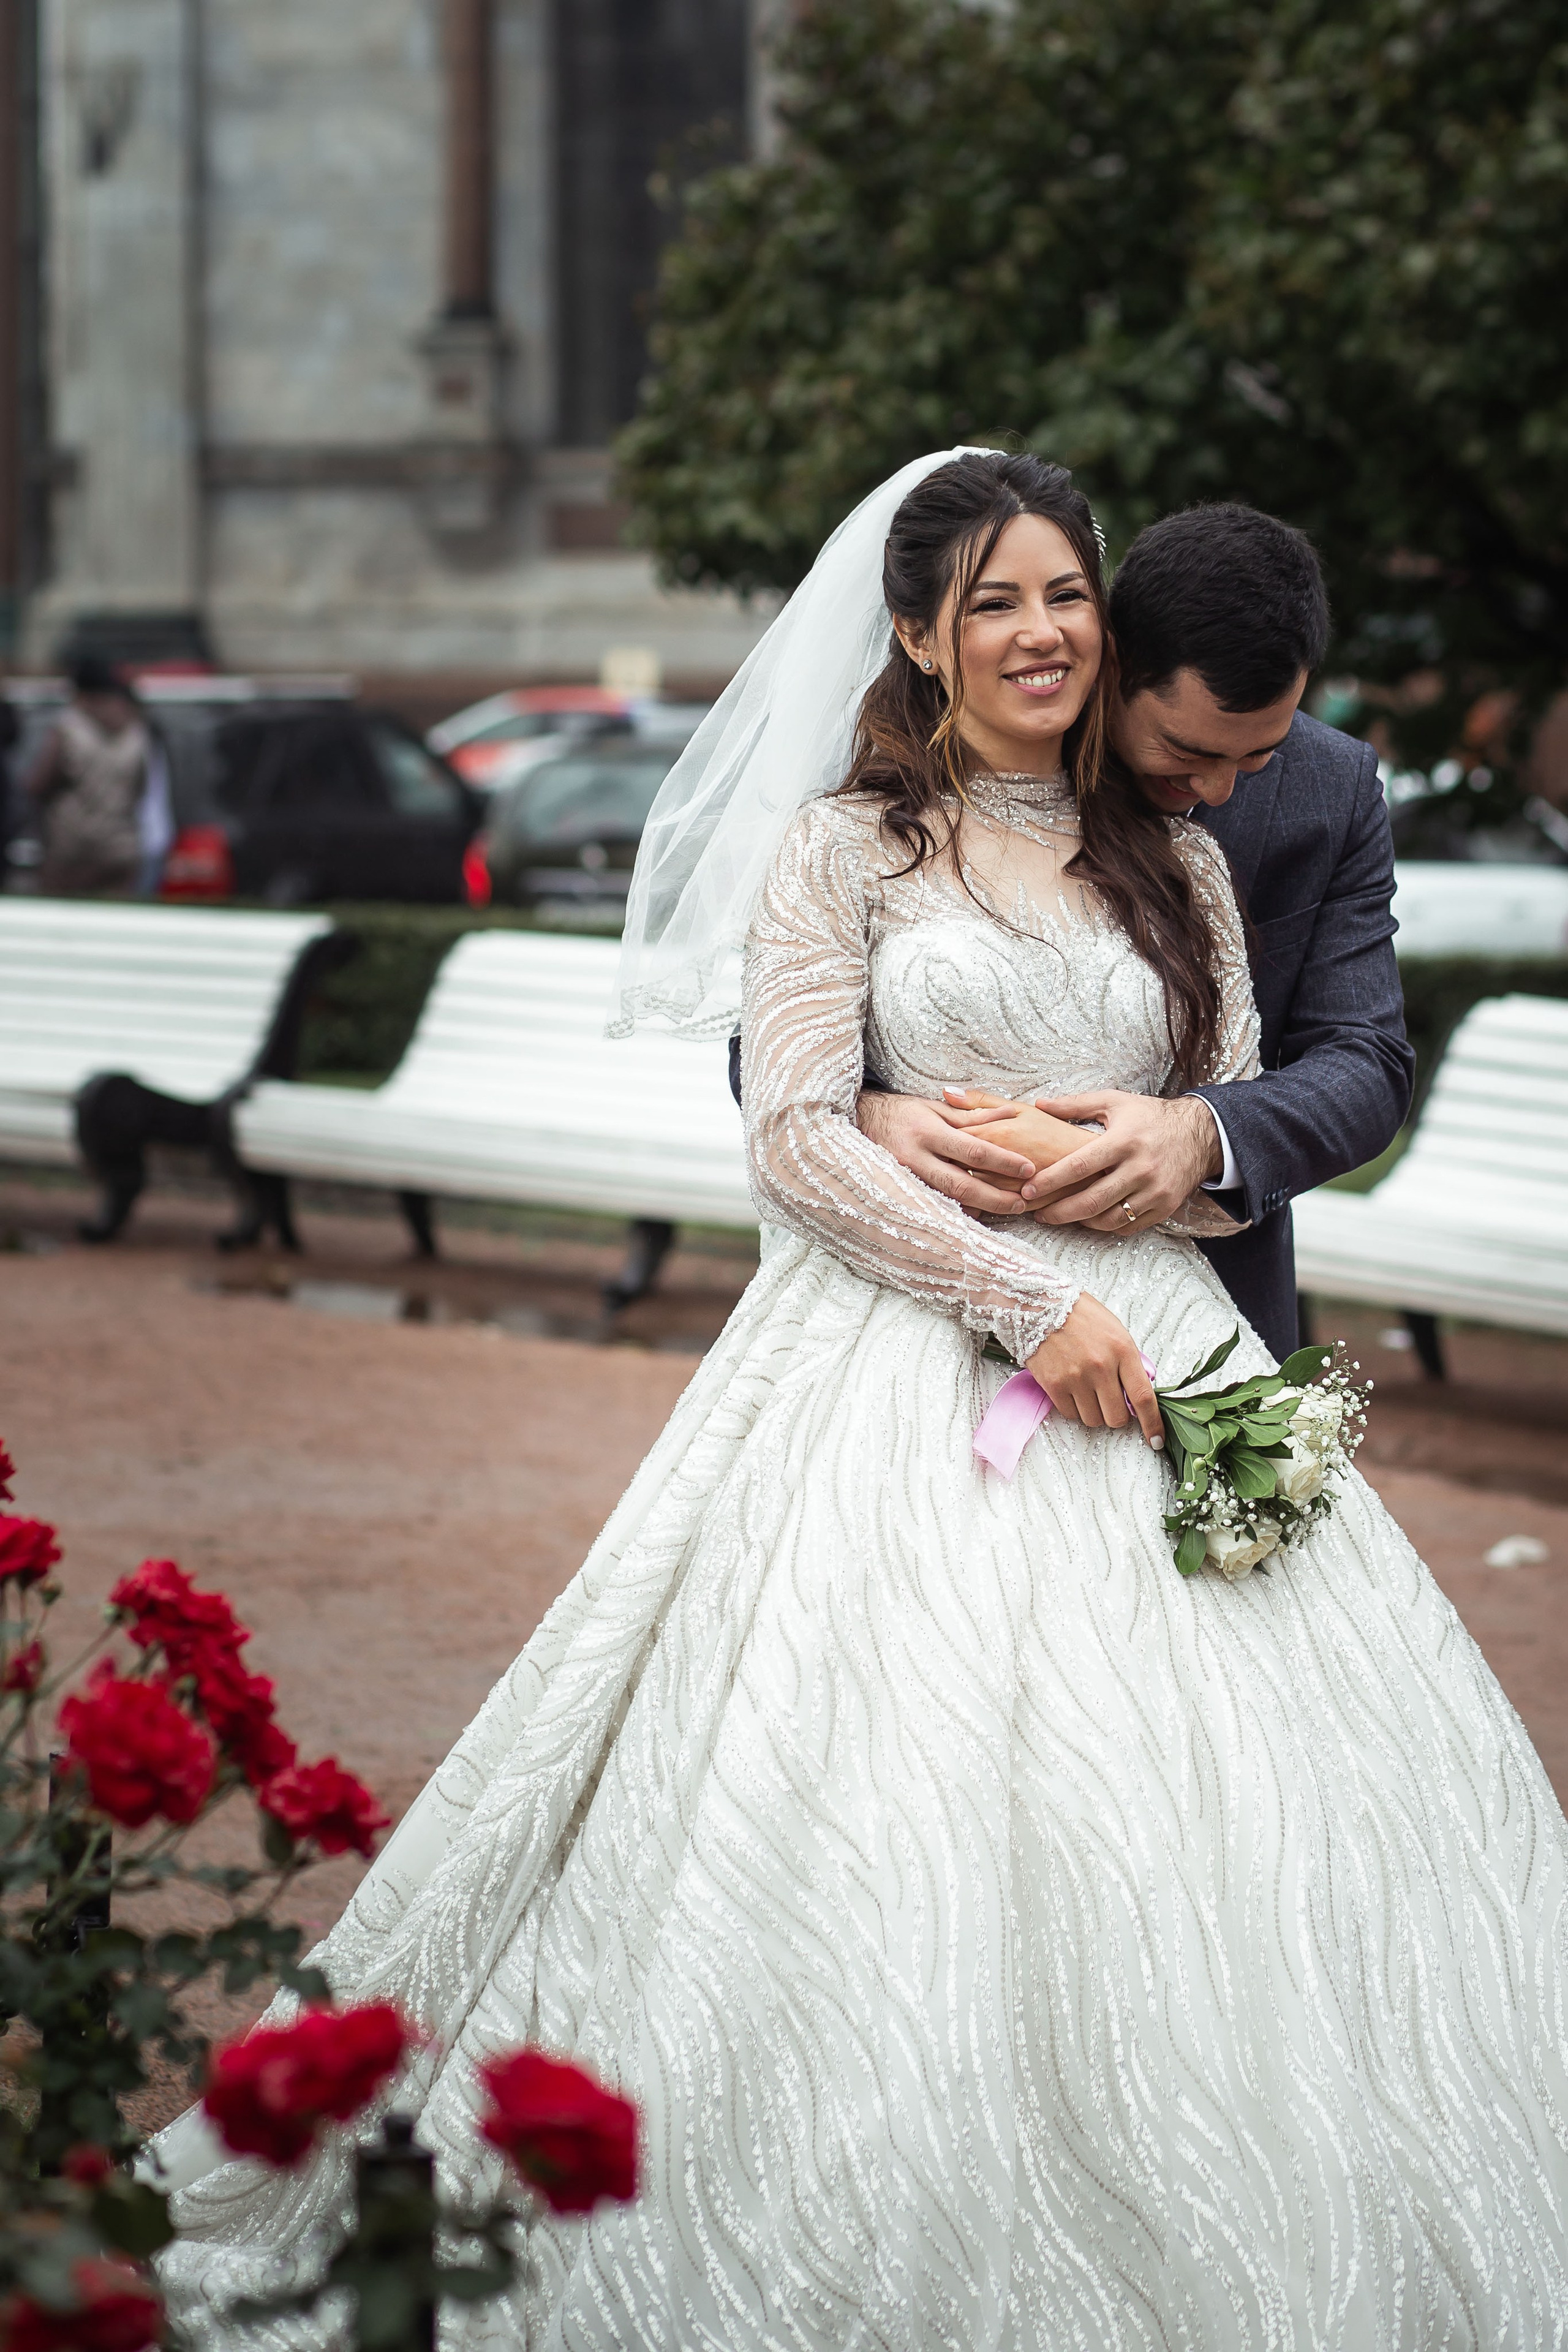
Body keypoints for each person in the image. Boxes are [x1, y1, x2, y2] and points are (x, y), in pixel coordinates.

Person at [154, 453, 1568, 2348]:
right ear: (918, 631)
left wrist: (1182, 1150)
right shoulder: (847, 838)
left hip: (1174, 1351)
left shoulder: (1195, 851)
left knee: (1235, 1811)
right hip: (906, 1362)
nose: (1042, 633)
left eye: (1061, 595)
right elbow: (790, 1113)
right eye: (996, 601)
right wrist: (962, 1217)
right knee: (864, 1783)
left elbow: (1283, 1072)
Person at [826, 503, 1412, 1364]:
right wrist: (876, 1118)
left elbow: (1367, 1062)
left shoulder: (1331, 789)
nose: (1219, 790)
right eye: (1185, 751)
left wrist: (1201, 1135)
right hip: (916, 1302)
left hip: (1199, 1314)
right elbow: (766, 1053)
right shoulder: (937, 765)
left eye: (1254, 758)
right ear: (1113, 656)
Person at [23, 652, 148, 898]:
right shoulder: (136, 728)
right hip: (122, 845)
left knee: (61, 915)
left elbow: (38, 784)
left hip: (72, 846)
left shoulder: (69, 726)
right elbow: (143, 787)